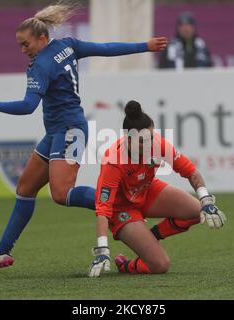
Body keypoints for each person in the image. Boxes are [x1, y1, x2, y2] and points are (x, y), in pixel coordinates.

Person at [0, 3, 167, 272]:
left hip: (70, 131)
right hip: (58, 131)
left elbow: (28, 106)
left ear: (42, 38)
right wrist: (144, 46)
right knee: (25, 190)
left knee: (61, 194)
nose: (23, 50)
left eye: (25, 44)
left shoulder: (40, 65)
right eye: (19, 45)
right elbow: (106, 49)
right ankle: (2, 253)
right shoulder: (69, 45)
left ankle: (116, 202)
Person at [89, 101, 226, 277]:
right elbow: (103, 209)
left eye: (151, 138)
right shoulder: (113, 161)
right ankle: (127, 265)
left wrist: (206, 200)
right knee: (160, 265)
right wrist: (102, 250)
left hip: (146, 191)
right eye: (142, 142)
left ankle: (153, 235)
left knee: (198, 210)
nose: (148, 145)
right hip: (122, 209)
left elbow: (191, 172)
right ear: (127, 140)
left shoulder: (158, 144)